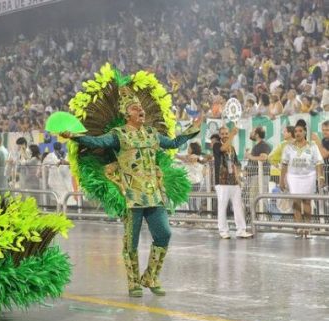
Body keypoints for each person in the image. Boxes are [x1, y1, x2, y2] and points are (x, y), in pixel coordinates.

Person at [63, 79, 202, 297]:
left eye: (141, 108)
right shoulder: (118, 134)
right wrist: (75, 136)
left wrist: (192, 130)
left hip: (154, 194)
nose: (141, 111)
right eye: (136, 108)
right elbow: (97, 143)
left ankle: (150, 276)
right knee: (131, 242)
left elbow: (173, 144)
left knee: (164, 233)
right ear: (127, 114)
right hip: (130, 195)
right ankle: (133, 283)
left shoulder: (151, 134)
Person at [280, 120, 324, 238]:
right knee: (296, 202)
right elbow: (284, 164)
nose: (298, 133)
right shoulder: (288, 147)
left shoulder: (313, 146)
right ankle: (299, 228)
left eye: (300, 131)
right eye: (296, 131)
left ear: (305, 132)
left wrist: (321, 176)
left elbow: (319, 162)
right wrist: (281, 179)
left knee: (307, 202)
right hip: (293, 177)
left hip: (309, 176)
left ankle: (307, 228)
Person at [213, 127, 253, 239]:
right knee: (222, 206)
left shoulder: (232, 148)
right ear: (219, 135)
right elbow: (223, 148)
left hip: (233, 181)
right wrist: (232, 134)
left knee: (238, 206)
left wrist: (238, 179)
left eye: (227, 133)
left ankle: (241, 230)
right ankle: (223, 231)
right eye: (223, 134)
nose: (225, 135)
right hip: (221, 182)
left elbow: (235, 164)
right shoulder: (216, 145)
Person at [245, 127, 272, 212]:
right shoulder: (257, 146)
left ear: (257, 135)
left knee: (259, 199)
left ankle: (262, 221)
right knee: (253, 199)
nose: (250, 133)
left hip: (260, 176)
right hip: (254, 176)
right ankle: (257, 220)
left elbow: (263, 157)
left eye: (252, 132)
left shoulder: (264, 145)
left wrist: (250, 156)